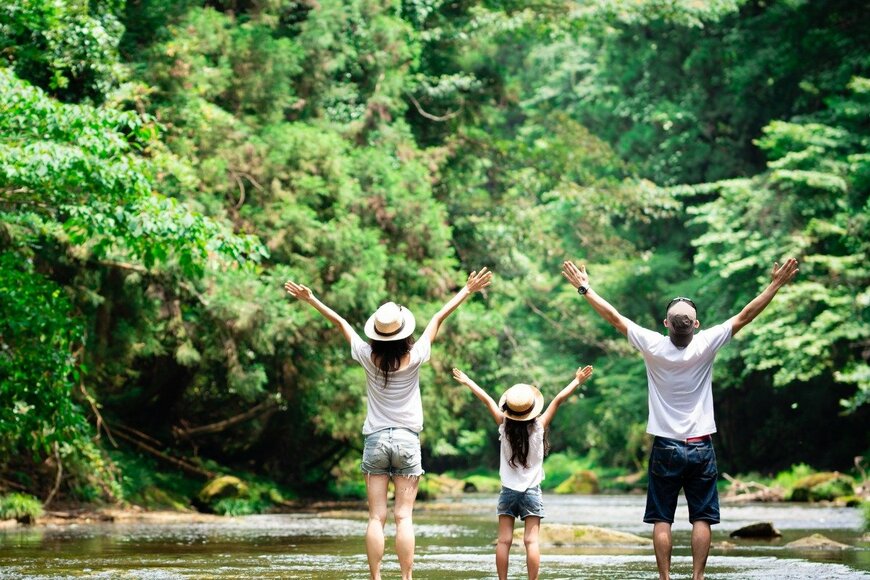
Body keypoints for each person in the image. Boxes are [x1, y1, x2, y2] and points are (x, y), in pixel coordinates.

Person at [561, 258, 798, 580]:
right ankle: (698, 578)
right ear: (696, 325)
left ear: (666, 324)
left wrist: (583, 287)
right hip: (701, 445)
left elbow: (614, 318)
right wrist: (775, 285)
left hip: (666, 446)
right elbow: (746, 315)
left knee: (663, 519)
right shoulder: (706, 343)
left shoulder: (653, 345)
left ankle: (665, 578)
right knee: (702, 518)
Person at [284, 267, 492, 580]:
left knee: (376, 517)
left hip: (376, 441)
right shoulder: (417, 354)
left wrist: (311, 299)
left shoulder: (366, 354)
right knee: (403, 516)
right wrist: (467, 290)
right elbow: (437, 318)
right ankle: (407, 579)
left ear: (376, 334)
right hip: (407, 440)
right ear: (405, 332)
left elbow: (340, 322)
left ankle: (376, 578)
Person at [452, 364, 594, 580]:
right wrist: (577, 381)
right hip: (532, 492)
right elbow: (558, 400)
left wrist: (468, 380)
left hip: (508, 491)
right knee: (531, 541)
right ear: (532, 409)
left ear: (508, 408)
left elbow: (487, 400)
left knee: (504, 541)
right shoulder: (539, 427)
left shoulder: (504, 425)